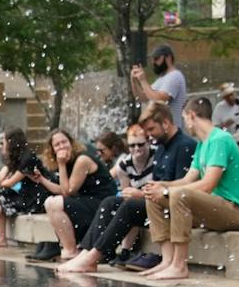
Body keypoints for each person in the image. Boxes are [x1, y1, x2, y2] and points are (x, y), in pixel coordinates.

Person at [58, 114, 191, 275]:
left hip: (164, 203)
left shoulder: (179, 146)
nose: (137, 149)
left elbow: (180, 186)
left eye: (149, 132)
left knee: (129, 205)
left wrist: (142, 193)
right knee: (110, 202)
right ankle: (87, 252)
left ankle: (94, 256)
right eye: (132, 146)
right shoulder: (157, 150)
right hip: (155, 202)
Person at [139, 96, 239, 281]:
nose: (184, 124)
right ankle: (167, 261)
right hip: (216, 209)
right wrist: (160, 187)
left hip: (235, 212)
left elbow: (208, 184)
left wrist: (168, 191)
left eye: (184, 118)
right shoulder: (203, 144)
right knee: (153, 195)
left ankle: (179, 266)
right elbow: (188, 179)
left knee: (179, 195)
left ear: (192, 116)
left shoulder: (219, 139)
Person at [26, 128, 116, 262]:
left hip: (103, 205)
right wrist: (42, 180)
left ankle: (70, 250)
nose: (62, 146)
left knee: (55, 203)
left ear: (71, 143)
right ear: (52, 150)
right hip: (87, 203)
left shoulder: (82, 160)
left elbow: (68, 192)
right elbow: (62, 189)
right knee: (50, 201)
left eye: (64, 142)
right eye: (57, 145)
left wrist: (61, 165)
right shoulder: (68, 163)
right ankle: (68, 248)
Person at [0, 129, 45, 247]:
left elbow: (10, 182)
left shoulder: (28, 158)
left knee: (1, 193)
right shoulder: (16, 158)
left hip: (37, 198)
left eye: (3, 142)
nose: (1, 146)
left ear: (12, 142)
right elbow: (1, 175)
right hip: (26, 195)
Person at [129, 44, 187, 129]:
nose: (153, 62)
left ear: (168, 58)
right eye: (152, 59)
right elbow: (142, 97)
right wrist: (134, 80)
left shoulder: (175, 76)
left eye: (156, 59)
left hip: (172, 130)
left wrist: (143, 80)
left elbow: (159, 100)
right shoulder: (161, 79)